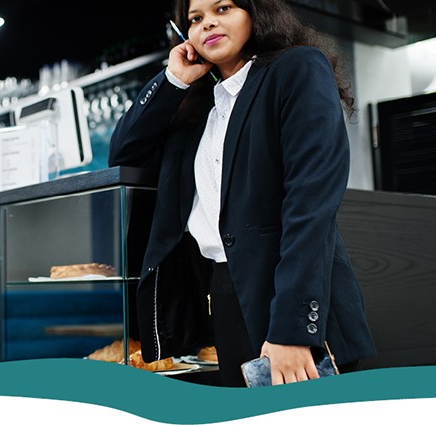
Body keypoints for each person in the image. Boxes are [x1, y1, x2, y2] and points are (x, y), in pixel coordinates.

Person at [109, 0, 376, 386]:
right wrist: (174, 79)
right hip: (222, 297)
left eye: (223, 8)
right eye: (195, 19)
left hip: (289, 297)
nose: (208, 25)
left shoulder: (297, 68)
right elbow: (123, 153)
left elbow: (310, 208)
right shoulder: (197, 106)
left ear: (255, 13)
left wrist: (293, 329)